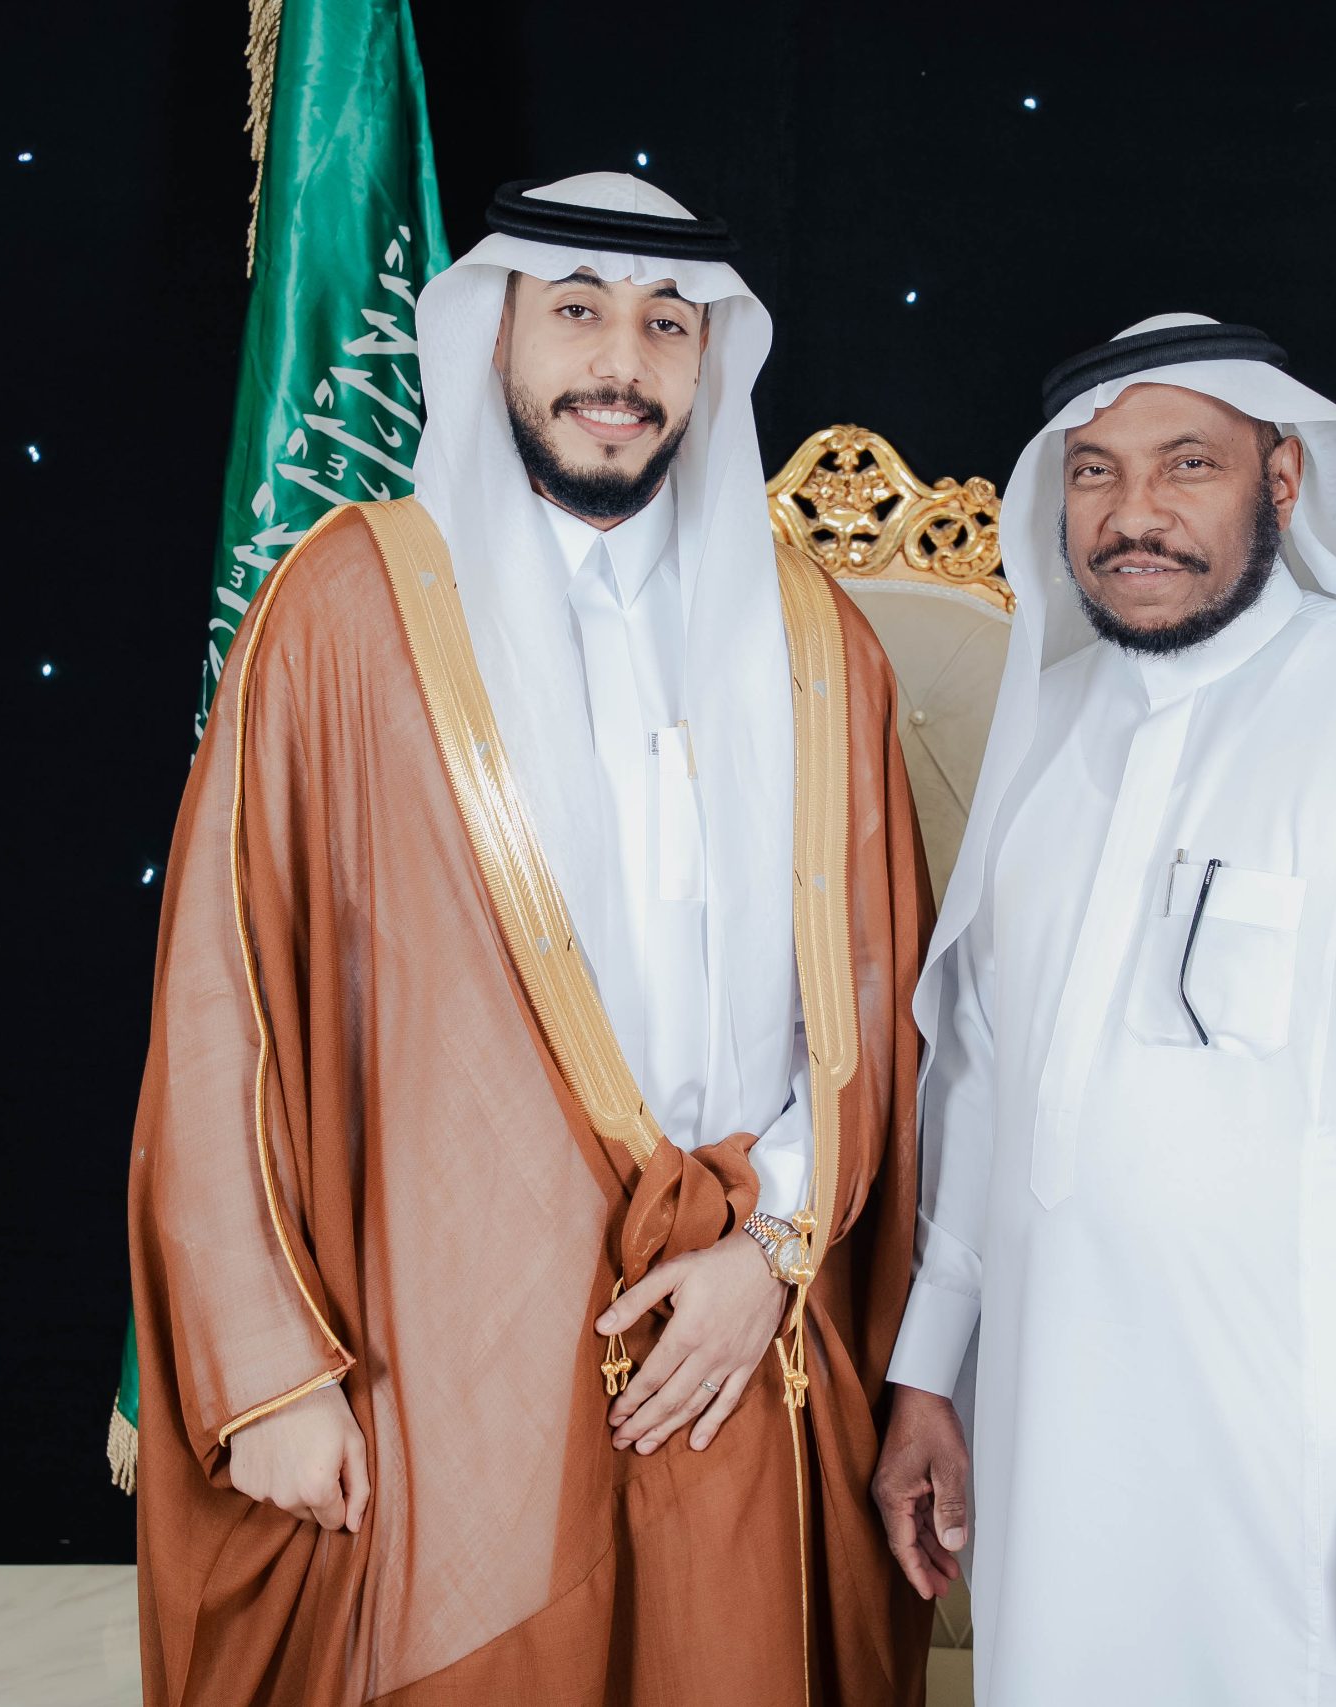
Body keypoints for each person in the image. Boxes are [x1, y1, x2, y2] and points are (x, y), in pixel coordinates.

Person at [129, 172, 932, 1707]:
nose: (621, 363)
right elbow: (225, 1004)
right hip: (442, 1333)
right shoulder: (349, 609)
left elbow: (881, 1001)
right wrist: (272, 1378)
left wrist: (774, 1248)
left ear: (712, 356)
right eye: (575, 312)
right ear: (493, 334)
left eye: (666, 324)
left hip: (737, 1322)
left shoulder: (818, 640)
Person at [870, 315, 1336, 1705]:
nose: (1133, 514)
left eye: (1187, 464)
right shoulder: (1045, 726)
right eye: (1095, 472)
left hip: (1324, 1452)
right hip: (1054, 1439)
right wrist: (927, 1377)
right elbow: (980, 1081)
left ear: (1283, 479)